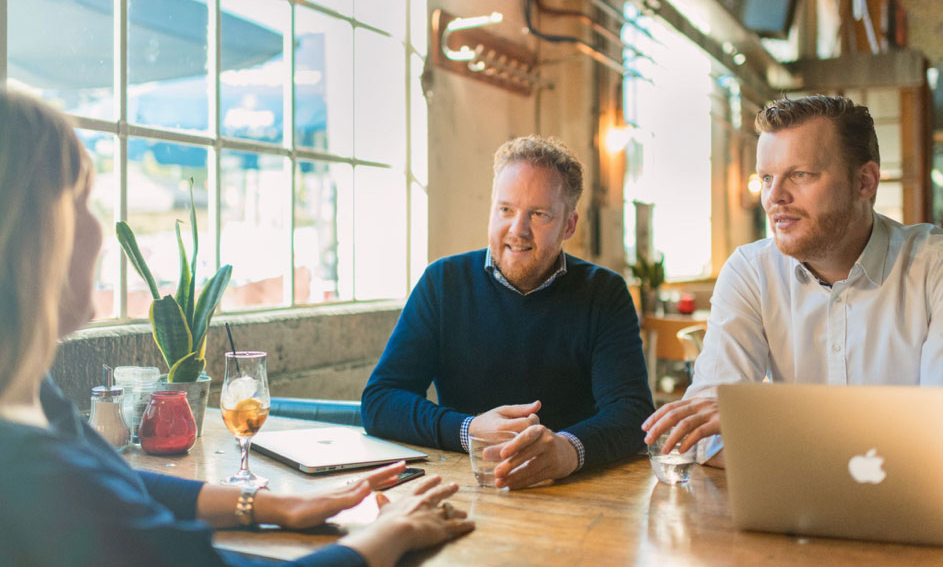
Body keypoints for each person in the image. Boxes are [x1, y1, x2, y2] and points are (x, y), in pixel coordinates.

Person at [0, 90, 474, 567]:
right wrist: (383, 537)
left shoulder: (31, 397)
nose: (102, 229)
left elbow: (109, 483)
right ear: (30, 233)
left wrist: (271, 505)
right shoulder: (25, 468)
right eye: (83, 200)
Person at [642, 95, 943, 467]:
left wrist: (769, 424)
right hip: (790, 514)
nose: (774, 197)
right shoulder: (750, 271)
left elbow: (937, 433)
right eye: (767, 178)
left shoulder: (933, 266)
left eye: (800, 175)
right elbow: (706, 437)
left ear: (865, 182)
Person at [361, 135, 654, 489]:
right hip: (465, 488)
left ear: (569, 225)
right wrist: (467, 431)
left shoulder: (603, 292)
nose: (518, 230)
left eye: (539, 214)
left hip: (572, 495)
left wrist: (567, 451)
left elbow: (632, 412)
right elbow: (380, 401)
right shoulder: (443, 282)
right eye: (506, 210)